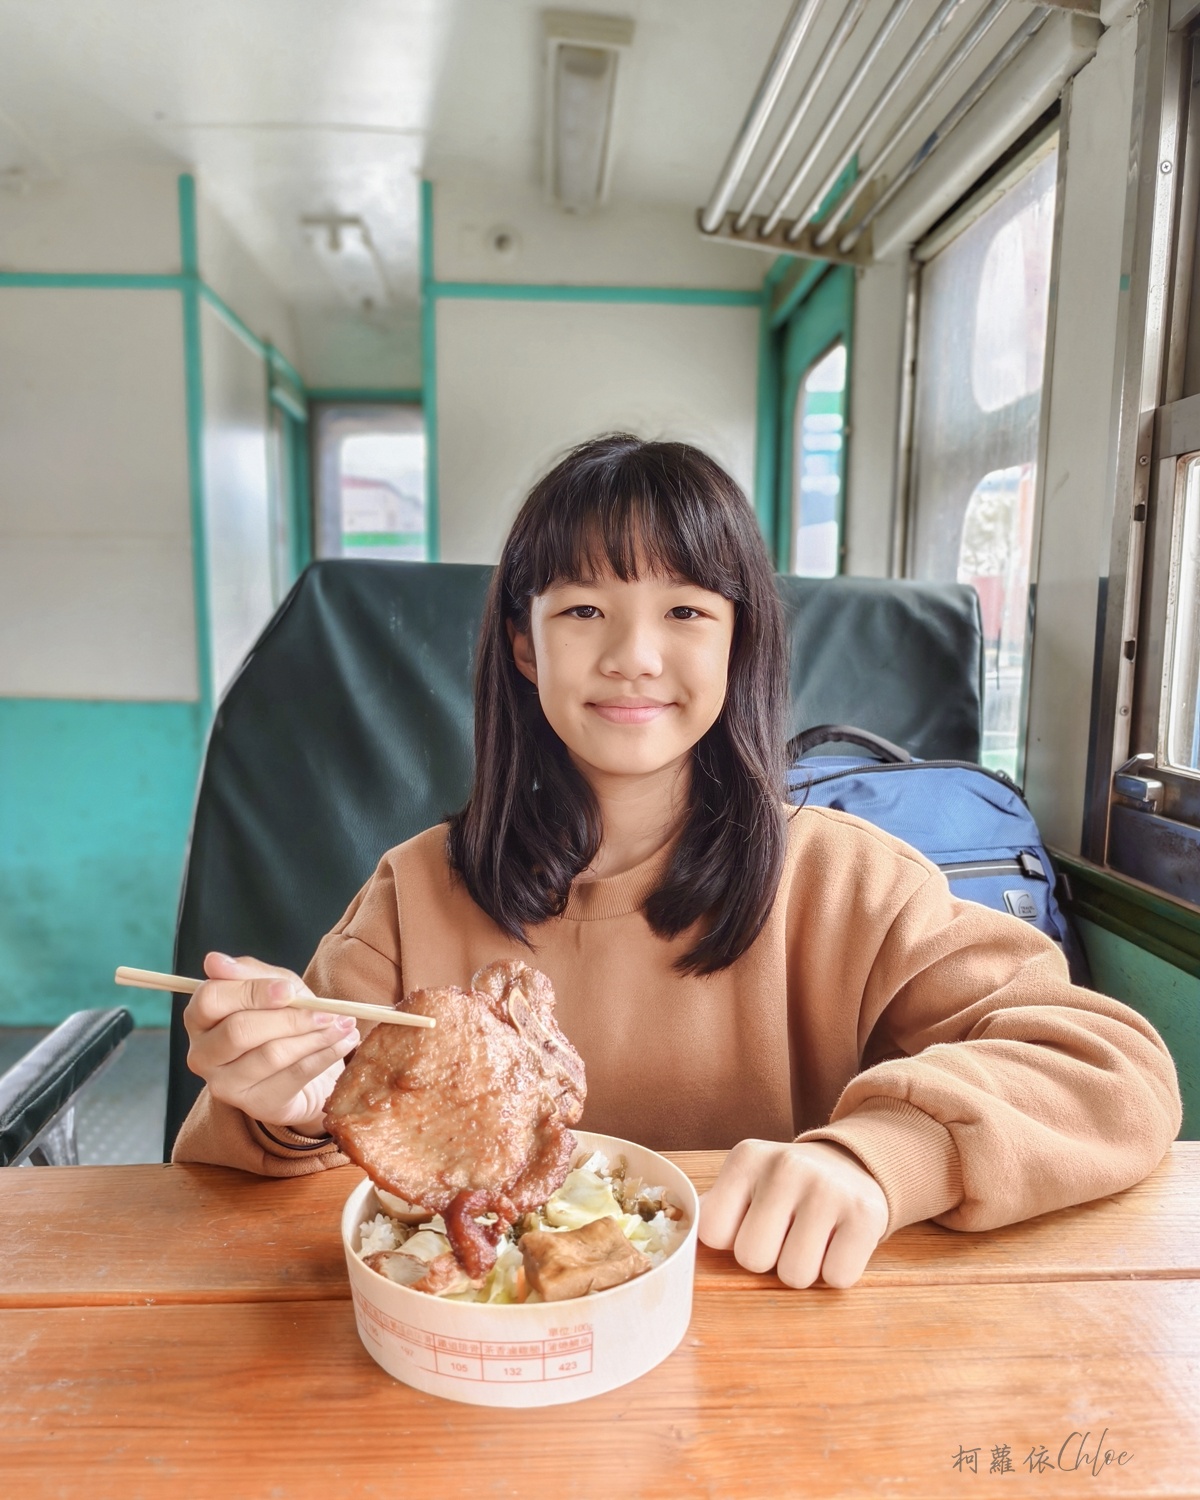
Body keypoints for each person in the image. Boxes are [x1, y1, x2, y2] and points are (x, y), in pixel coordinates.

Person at [174, 433, 1181, 1290]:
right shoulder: (414, 892)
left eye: (686, 611)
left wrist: (885, 1159)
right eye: (582, 611)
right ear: (526, 648)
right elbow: (260, 1184)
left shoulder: (845, 882)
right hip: (470, 1367)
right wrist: (291, 1113)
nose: (633, 656)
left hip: (775, 1360)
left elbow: (1109, 1068)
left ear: (740, 642)